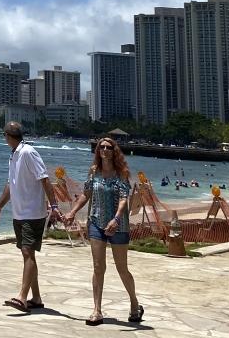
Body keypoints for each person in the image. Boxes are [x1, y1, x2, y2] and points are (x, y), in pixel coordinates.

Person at [65, 137, 143, 326]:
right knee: (98, 267)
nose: (105, 150)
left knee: (122, 268)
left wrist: (116, 219)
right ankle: (97, 310)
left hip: (118, 226)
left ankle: (134, 303)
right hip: (96, 223)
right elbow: (86, 193)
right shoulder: (94, 171)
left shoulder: (121, 173)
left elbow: (124, 198)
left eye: (108, 147)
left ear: (114, 150)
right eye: (102, 147)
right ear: (98, 150)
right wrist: (72, 212)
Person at [0, 122, 63, 314]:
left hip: (33, 213)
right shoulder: (14, 155)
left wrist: (54, 206)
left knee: (27, 252)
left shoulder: (28, 152)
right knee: (28, 254)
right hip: (19, 213)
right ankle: (36, 298)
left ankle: (22, 297)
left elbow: (45, 179)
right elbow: (11, 184)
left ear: (7, 136)